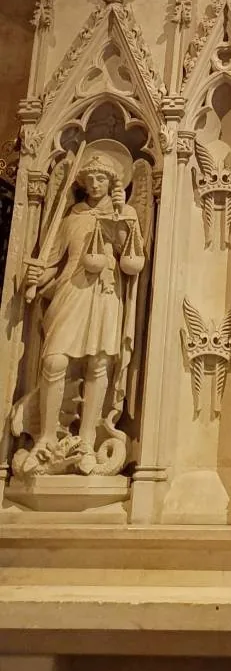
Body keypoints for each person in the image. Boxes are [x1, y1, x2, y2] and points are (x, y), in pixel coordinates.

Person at [18, 143, 145, 477]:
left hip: (105, 294)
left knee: (99, 363)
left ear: (113, 181)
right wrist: (35, 273)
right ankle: (46, 436)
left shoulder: (125, 212)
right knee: (54, 360)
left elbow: (132, 260)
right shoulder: (71, 216)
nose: (93, 184)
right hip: (71, 291)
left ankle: (87, 441)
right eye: (89, 178)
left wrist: (120, 219)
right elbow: (55, 262)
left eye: (100, 178)